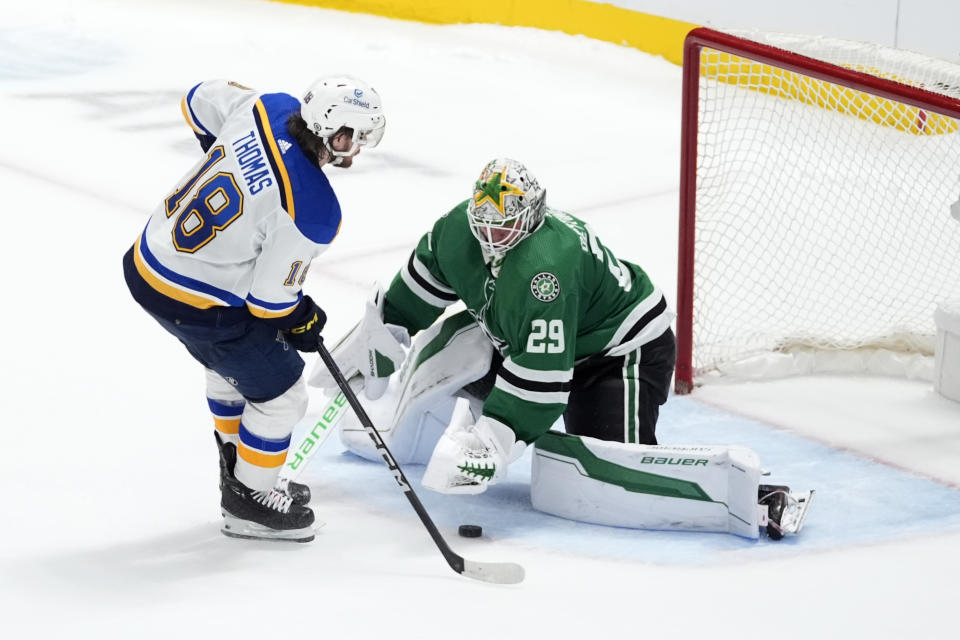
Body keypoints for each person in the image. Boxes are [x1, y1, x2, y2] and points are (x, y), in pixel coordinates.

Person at [313, 158, 814, 540]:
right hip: (527, 335)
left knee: (608, 468)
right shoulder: (457, 229)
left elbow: (541, 379)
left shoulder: (545, 271)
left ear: (532, 217)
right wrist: (382, 337)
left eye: (505, 227)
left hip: (617, 351)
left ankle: (750, 496)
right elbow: (419, 292)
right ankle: (402, 430)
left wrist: (494, 441)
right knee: (447, 348)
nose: (491, 237)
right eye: (483, 223)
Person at [123, 75, 386, 542]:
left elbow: (196, 98)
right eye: (357, 136)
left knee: (234, 362)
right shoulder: (312, 207)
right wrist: (302, 319)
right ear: (334, 133)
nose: (359, 148)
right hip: (191, 298)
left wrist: (225, 155)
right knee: (285, 393)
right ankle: (248, 500)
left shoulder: (267, 106)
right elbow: (270, 302)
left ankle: (237, 463)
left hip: (147, 257)